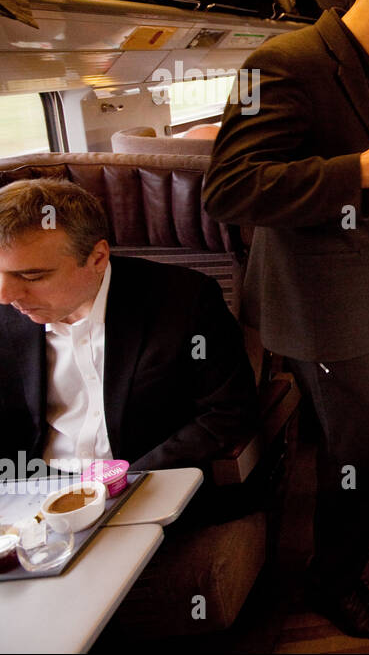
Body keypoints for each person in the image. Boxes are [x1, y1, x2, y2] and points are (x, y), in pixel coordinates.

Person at [202, 0, 369, 638]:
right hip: (319, 306)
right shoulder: (279, 64)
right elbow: (228, 189)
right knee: (352, 447)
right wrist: (357, 172)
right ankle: (333, 582)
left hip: (368, 279)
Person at [0, 180, 257, 481]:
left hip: (148, 480)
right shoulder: (6, 311)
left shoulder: (186, 301)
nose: (5, 296)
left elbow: (226, 412)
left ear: (97, 258)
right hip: (31, 488)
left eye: (32, 276)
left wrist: (128, 480)